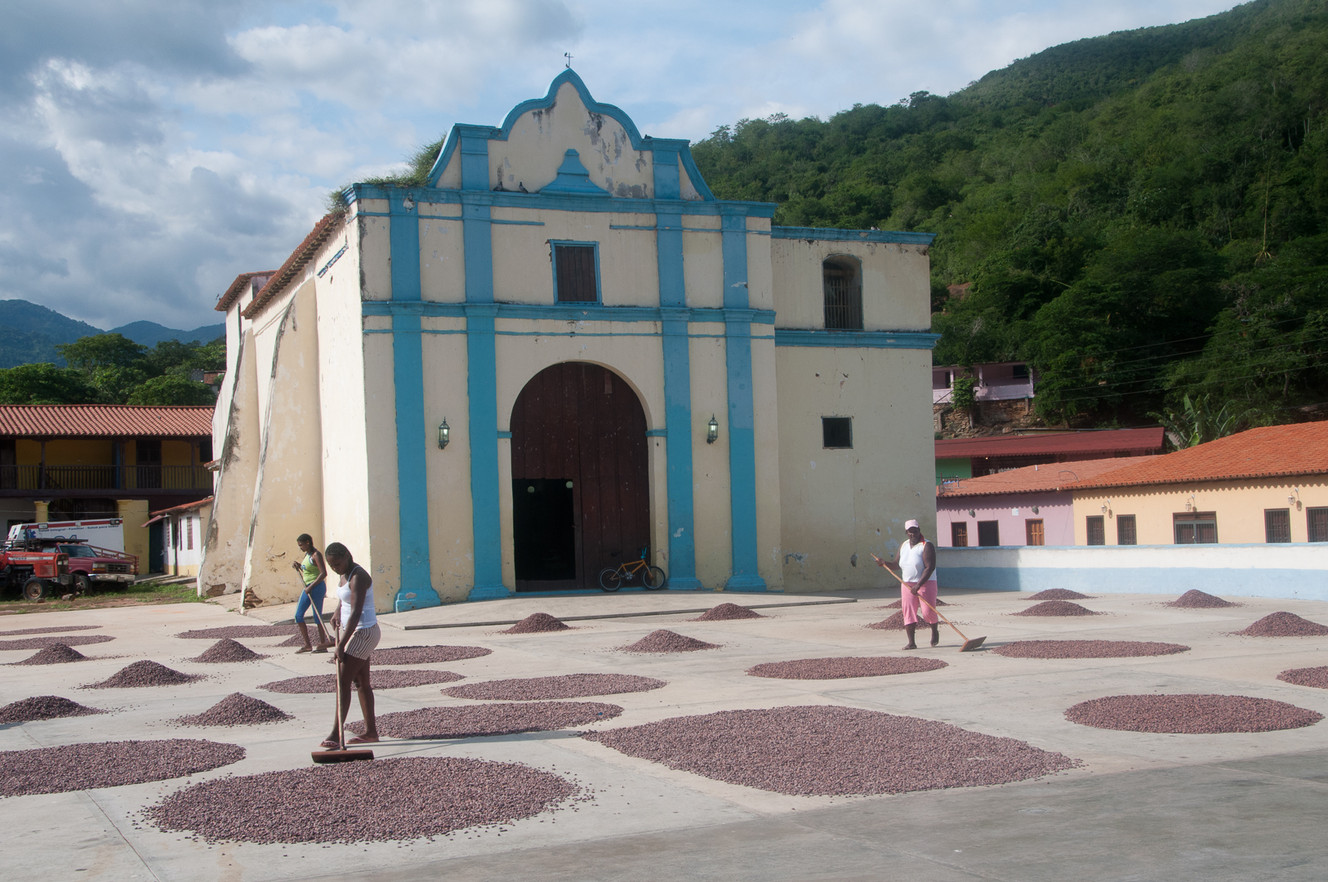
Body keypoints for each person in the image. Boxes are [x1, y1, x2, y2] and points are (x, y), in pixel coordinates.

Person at [320, 542, 380, 748]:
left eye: (337, 563)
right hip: (354, 631)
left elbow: (356, 612)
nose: (336, 568)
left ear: (347, 555)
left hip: (364, 632)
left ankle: (336, 734)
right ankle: (371, 732)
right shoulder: (345, 574)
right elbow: (345, 599)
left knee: (342, 680)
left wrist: (341, 645)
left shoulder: (358, 576)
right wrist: (337, 611)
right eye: (332, 566)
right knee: (361, 682)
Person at [879, 519, 939, 650]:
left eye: (915, 530)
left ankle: (934, 629)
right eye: (910, 531)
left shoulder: (926, 545)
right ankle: (912, 642)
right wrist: (884, 563)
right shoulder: (904, 545)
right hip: (906, 583)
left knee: (927, 611)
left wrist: (918, 585)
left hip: (926, 582)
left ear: (919, 530)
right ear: (906, 532)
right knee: (908, 612)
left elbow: (930, 567)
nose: (913, 533)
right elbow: (896, 564)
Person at [291, 534, 332, 653]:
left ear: (308, 542)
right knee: (298, 616)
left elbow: (323, 573)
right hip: (308, 587)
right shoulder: (307, 555)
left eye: (301, 545)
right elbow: (308, 569)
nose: (300, 548)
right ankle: (307, 645)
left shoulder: (316, 555)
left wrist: (312, 586)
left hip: (317, 587)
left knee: (317, 616)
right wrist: (298, 565)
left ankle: (323, 644)